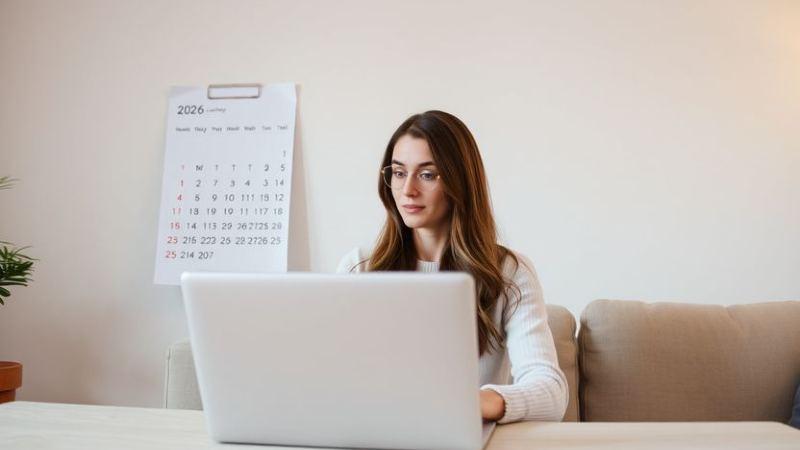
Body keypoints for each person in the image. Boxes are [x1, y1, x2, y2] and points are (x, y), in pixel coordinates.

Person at [337, 110, 568, 423]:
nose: (408, 190)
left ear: (460, 181)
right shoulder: (359, 268)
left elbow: (551, 394)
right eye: (399, 172)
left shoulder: (508, 272)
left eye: (428, 174)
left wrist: (469, 403)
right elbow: (337, 379)